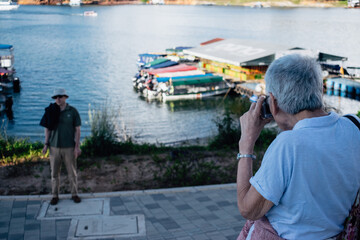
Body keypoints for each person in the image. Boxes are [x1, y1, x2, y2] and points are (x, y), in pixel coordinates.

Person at [236, 54, 360, 239]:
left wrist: (246, 146)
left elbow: (249, 209)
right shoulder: (354, 126)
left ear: (274, 103)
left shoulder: (288, 145)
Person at [40, 88, 82, 205]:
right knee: (54, 173)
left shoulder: (72, 111)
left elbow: (77, 130)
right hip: (54, 147)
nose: (58, 99)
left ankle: (74, 194)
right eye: (55, 97)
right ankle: (55, 195)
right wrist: (45, 144)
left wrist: (77, 147)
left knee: (72, 172)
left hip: (69, 147)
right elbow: (47, 129)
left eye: (60, 97)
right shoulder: (50, 110)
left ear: (65, 97)